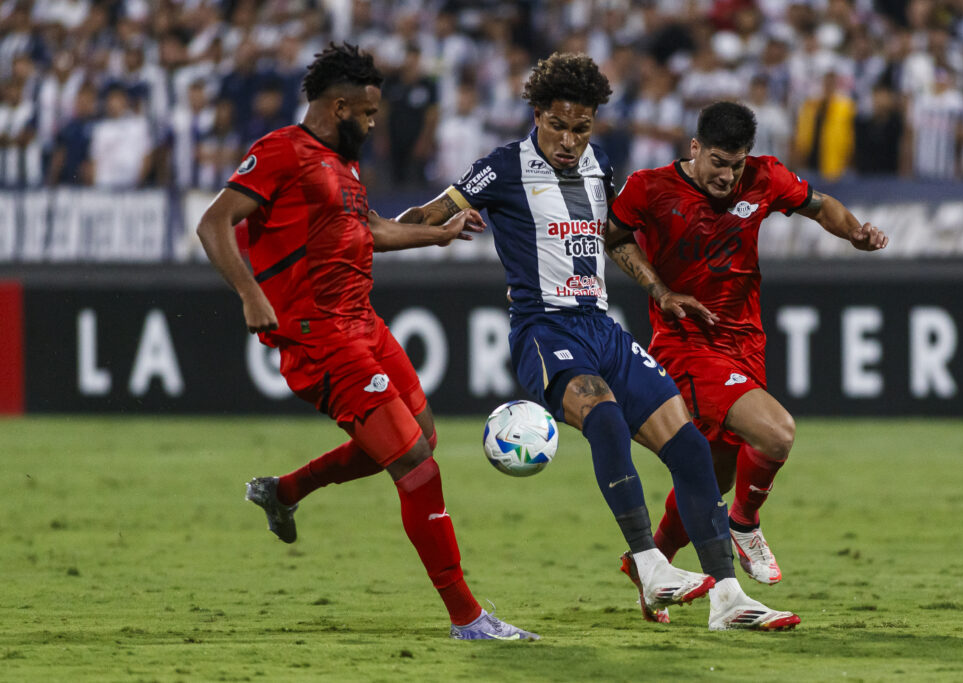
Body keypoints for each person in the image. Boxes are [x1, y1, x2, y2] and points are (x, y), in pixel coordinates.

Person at [397, 53, 798, 631]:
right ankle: (649, 562)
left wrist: (658, 290)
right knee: (606, 420)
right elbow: (430, 210)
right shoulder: (502, 167)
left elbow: (613, 239)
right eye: (558, 126)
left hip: (602, 326)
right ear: (537, 115)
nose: (568, 140)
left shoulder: (598, 166)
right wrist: (428, 231)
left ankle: (729, 600)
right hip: (544, 329)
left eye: (581, 128)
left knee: (689, 449)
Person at [195, 42, 538, 642]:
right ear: (339, 106)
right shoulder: (281, 152)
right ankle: (467, 617)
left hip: (364, 323)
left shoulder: (343, 163)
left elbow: (371, 229)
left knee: (422, 435)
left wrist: (437, 235)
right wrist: (250, 294)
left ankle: (285, 491)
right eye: (369, 113)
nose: (375, 123)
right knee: (414, 463)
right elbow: (214, 222)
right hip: (320, 336)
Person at [605, 101, 888, 590]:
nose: (728, 177)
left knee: (714, 474)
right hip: (686, 342)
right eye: (718, 162)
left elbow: (822, 207)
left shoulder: (765, 177)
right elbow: (614, 235)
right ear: (695, 149)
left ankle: (651, 563)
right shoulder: (648, 187)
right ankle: (744, 524)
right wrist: (660, 290)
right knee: (776, 433)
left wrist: (855, 233)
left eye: (737, 165)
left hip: (745, 342)